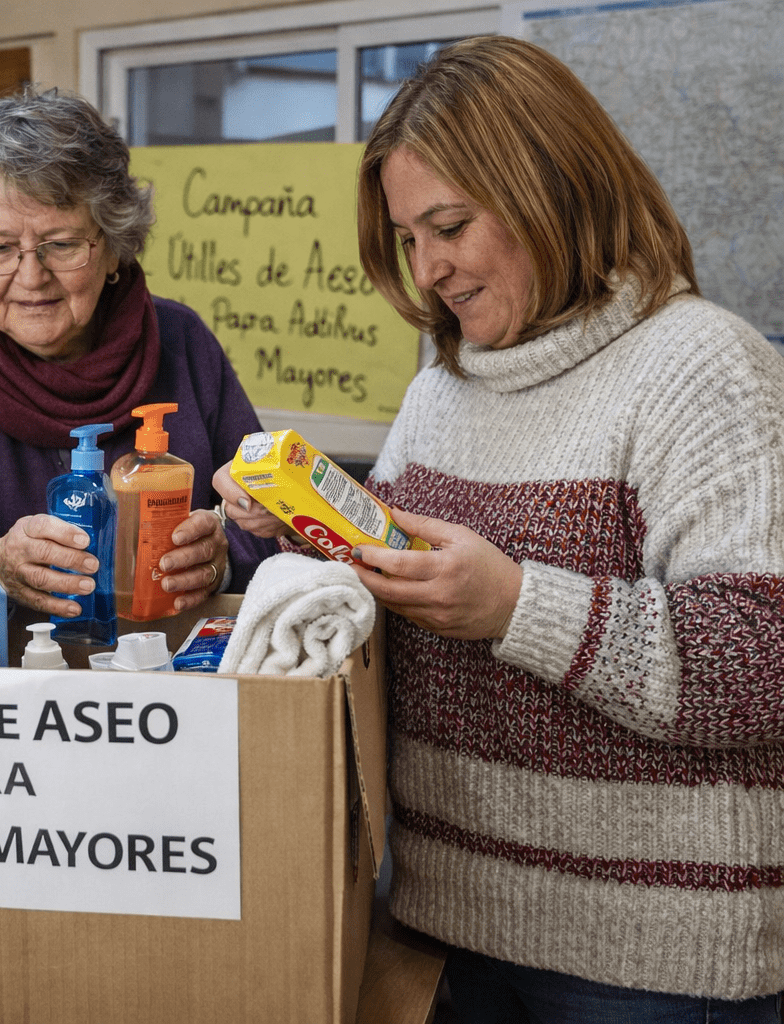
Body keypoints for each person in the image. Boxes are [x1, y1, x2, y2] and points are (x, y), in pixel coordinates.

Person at [217, 35, 784, 1018]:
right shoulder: (445, 383)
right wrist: (302, 540)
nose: (428, 269)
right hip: (442, 932)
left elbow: (761, 662)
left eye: (450, 226)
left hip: (647, 964)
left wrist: (517, 606)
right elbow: (407, 586)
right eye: (408, 238)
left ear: (553, 189)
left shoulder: (703, 369)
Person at [0, 87, 277, 620]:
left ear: (115, 244)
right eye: (0, 248)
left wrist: (222, 557)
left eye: (61, 244)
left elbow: (268, 514)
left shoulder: (184, 345)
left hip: (168, 670)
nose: (31, 278)